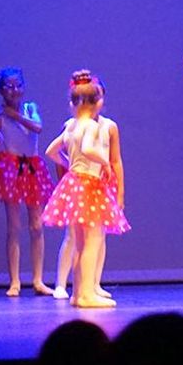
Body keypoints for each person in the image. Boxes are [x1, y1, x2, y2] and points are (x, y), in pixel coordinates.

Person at [41, 70, 128, 308]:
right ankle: (86, 294)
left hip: (74, 183)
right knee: (91, 242)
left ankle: (80, 293)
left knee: (80, 243)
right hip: (89, 185)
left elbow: (50, 151)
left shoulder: (71, 126)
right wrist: (104, 162)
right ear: (96, 101)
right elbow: (90, 149)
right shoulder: (89, 125)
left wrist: (69, 164)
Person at [0, 68, 52, 296]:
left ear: (24, 87)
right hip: (11, 170)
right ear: (1, 90)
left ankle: (38, 280)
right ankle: (15, 281)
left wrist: (13, 115)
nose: (14, 90)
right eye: (9, 86)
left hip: (32, 169)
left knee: (36, 226)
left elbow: (37, 127)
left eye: (18, 85)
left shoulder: (30, 108)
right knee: (14, 227)